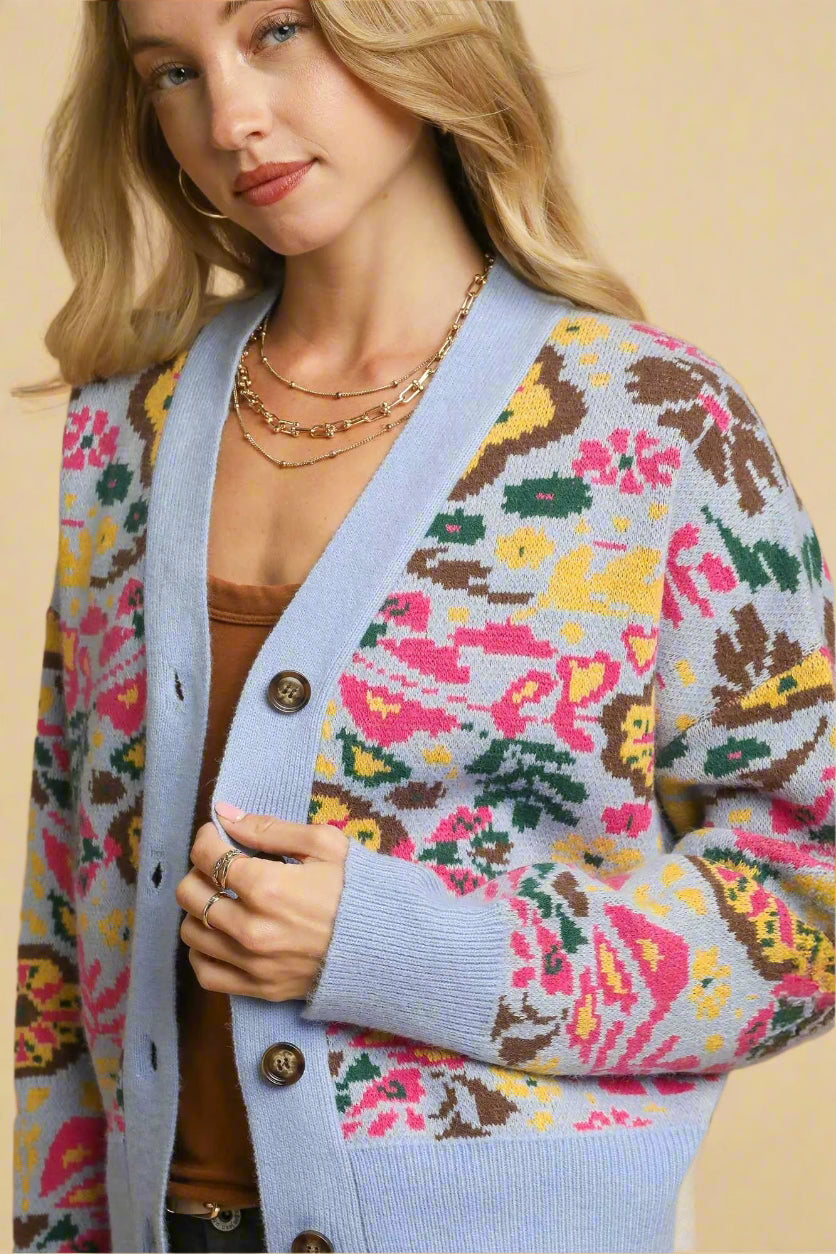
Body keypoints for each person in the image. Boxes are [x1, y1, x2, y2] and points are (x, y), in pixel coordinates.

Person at [11, 2, 834, 1252]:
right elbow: (70, 908)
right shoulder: (123, 430)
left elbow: (807, 905)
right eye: (173, 71)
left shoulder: (653, 428)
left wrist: (403, 946)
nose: (228, 119)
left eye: (274, 31)